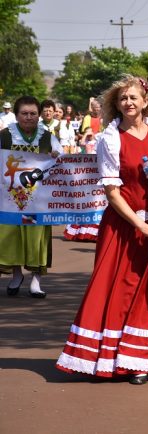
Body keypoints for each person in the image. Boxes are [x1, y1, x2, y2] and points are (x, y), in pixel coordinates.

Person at [55, 75, 148, 385]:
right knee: (121, 291)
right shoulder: (110, 139)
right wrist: (141, 226)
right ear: (117, 104)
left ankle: (142, 358)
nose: (129, 102)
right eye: (123, 99)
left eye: (134, 97)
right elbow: (112, 194)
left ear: (146, 101)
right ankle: (123, 358)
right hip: (125, 227)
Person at [0, 96, 62, 298]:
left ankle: (36, 280)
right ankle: (17, 275)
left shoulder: (47, 137)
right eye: (24, 113)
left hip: (38, 200)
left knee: (37, 238)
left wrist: (55, 157)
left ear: (39, 115)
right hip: (10, 199)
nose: (28, 117)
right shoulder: (4, 136)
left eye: (33, 114)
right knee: (12, 236)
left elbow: (61, 161)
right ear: (16, 115)